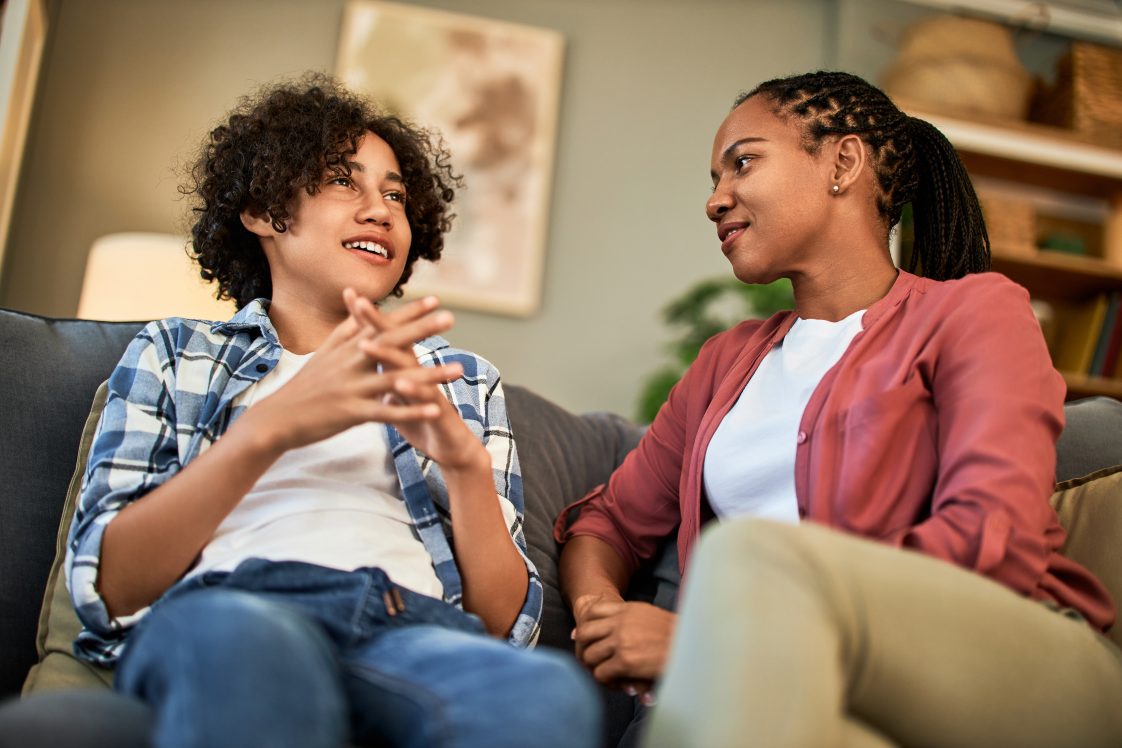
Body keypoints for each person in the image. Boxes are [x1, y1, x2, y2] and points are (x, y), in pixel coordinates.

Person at [556, 70, 1122, 747]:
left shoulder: (972, 314)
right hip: (797, 692)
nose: (715, 200)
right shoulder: (723, 364)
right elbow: (606, 521)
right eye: (712, 179)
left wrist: (711, 637)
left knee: (749, 563)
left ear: (843, 163)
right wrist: (602, 619)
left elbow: (990, 539)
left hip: (1003, 662)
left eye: (743, 162)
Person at [65, 75, 600, 748]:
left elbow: (503, 628)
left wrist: (464, 466)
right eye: (344, 182)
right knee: (247, 649)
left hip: (412, 627)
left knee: (545, 693)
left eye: (396, 194)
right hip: (239, 609)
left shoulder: (461, 383)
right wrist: (267, 429)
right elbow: (108, 588)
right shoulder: (176, 353)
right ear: (261, 210)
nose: (379, 209)